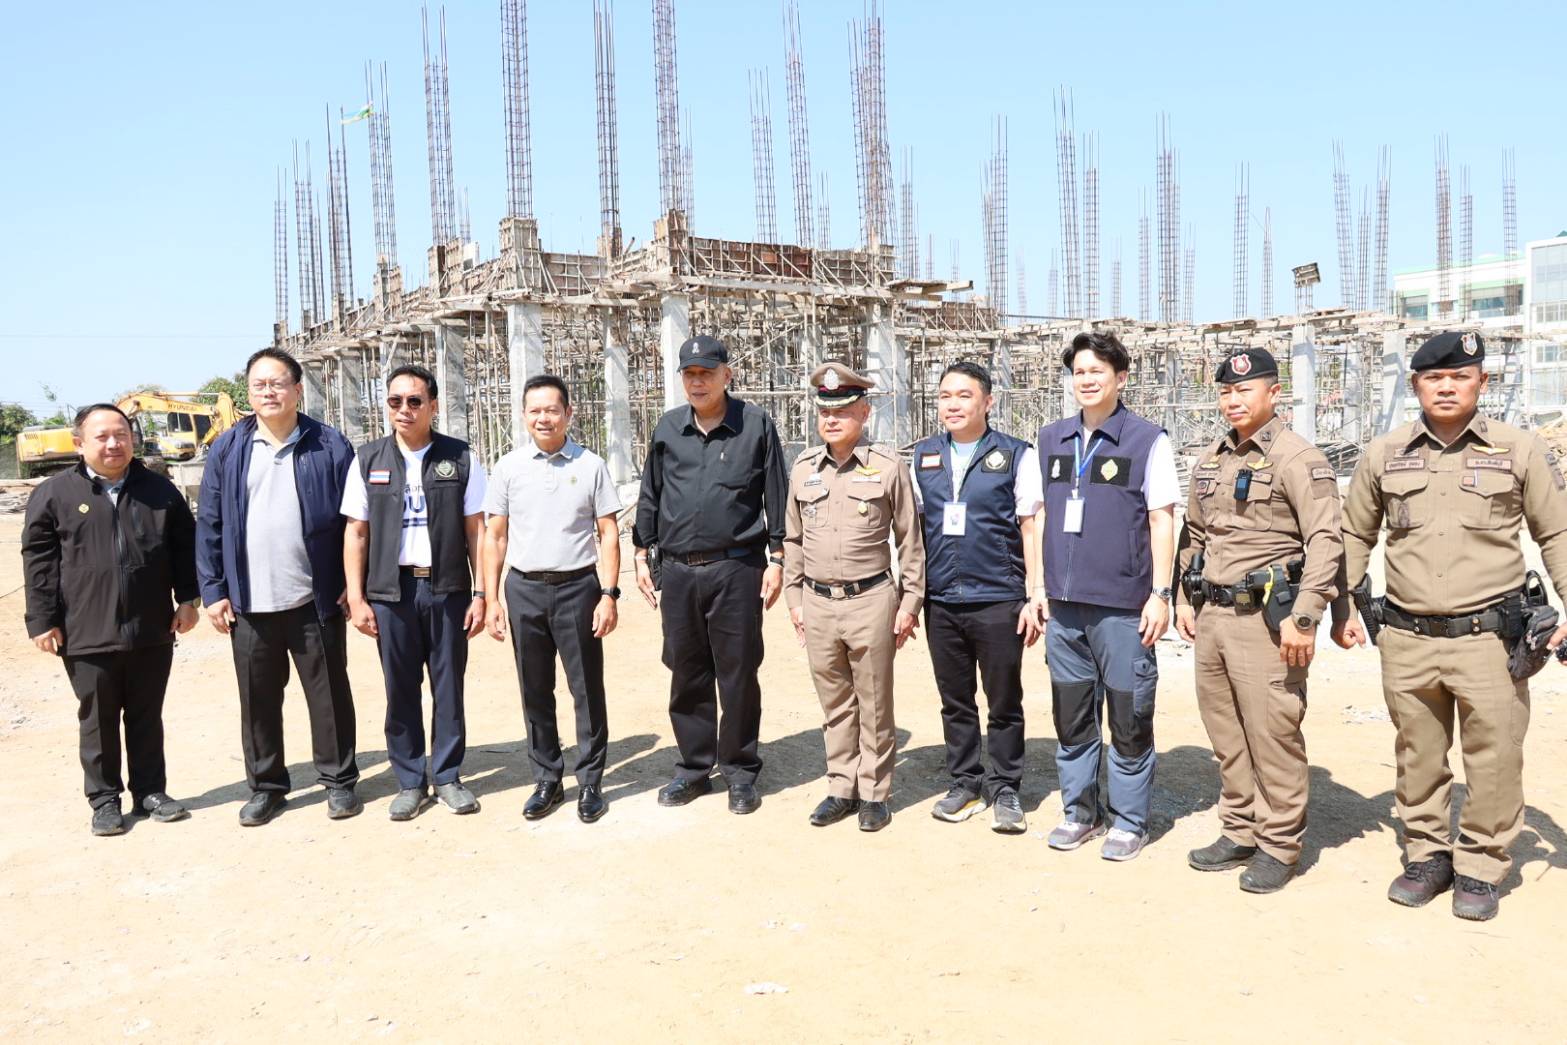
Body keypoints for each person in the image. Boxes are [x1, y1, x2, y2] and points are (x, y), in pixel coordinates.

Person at [1336, 331, 1567, 921]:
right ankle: (1427, 856)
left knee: (1494, 758)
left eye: (1459, 377)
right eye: (1433, 378)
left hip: (1490, 640)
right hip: (1406, 639)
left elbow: (1556, 533)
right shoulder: (1384, 453)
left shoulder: (1517, 450)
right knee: (1418, 754)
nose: (1446, 387)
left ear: (1481, 382)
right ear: (1415, 384)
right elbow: (1355, 533)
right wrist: (1344, 606)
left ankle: (1482, 865)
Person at [1173, 348, 1346, 893]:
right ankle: (1240, 828)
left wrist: (1306, 616)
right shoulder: (1212, 459)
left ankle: (1279, 844)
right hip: (1213, 616)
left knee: (1273, 733)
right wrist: (1183, 598)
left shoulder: (1298, 458)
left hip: (1268, 622)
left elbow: (1326, 540)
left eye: (1245, 390)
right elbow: (1195, 534)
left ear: (1274, 393)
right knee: (1226, 733)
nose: (1234, 399)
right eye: (1226, 391)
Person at [1028, 331, 1179, 862]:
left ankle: (1129, 820)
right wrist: (1037, 588)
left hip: (1122, 607)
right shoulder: (1051, 439)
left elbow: (1162, 519)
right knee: (1072, 716)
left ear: (1121, 377)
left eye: (1097, 371)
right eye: (1079, 372)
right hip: (1064, 608)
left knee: (1129, 715)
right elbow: (1038, 517)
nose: (1087, 380)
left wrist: (1161, 594)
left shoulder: (1146, 440)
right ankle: (1079, 812)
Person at [196, 347, 361, 826]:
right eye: (259, 385)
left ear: (297, 389)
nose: (268, 392)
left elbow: (356, 522)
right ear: (249, 393)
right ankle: (267, 787)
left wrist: (352, 584)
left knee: (329, 697)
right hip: (249, 602)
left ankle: (339, 782)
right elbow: (209, 522)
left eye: (277, 383)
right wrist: (213, 590)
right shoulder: (228, 448)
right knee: (258, 702)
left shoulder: (329, 444)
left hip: (314, 599)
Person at [21, 404, 199, 836]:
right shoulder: (55, 494)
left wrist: (188, 599)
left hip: (151, 626)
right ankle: (104, 800)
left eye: (121, 434)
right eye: (101, 436)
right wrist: (42, 619)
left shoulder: (159, 490)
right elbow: (39, 561)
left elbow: (183, 547)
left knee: (146, 715)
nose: (114, 443)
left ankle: (150, 792)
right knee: (97, 720)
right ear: (79, 443)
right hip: (86, 629)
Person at [632, 335, 788, 814]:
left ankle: (739, 770)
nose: (697, 382)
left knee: (738, 671)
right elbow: (651, 493)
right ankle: (694, 768)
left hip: (736, 567)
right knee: (686, 671)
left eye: (706, 373)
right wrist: (641, 551)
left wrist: (778, 557)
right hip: (678, 570)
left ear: (727, 375)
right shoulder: (668, 428)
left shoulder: (755, 424)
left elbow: (776, 492)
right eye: (690, 374)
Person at [342, 364, 487, 820]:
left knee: (448, 688)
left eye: (414, 401)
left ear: (433, 405)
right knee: (400, 690)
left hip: (447, 589)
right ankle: (409, 781)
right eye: (394, 401)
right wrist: (357, 598)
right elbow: (356, 532)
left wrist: (481, 592)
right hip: (392, 593)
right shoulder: (368, 459)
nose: (403, 409)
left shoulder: (459, 458)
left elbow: (476, 530)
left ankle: (447, 777)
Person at [784, 362, 925, 831]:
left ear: (864, 413)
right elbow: (792, 539)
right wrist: (794, 600)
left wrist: (910, 603)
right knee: (835, 702)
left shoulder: (887, 466)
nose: (831, 419)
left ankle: (875, 792)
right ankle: (841, 787)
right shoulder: (804, 469)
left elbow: (910, 540)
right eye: (824, 411)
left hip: (871, 599)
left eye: (842, 411)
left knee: (874, 700)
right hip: (818, 601)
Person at [483, 375, 622, 823]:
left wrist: (609, 594)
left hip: (578, 588)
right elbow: (495, 536)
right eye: (535, 410)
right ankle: (547, 778)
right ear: (524, 415)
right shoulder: (508, 468)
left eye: (552, 410)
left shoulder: (591, 465)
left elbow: (608, 533)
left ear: (568, 413)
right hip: (524, 589)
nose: (544, 418)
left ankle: (591, 782)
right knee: (535, 688)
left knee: (586, 688)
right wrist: (491, 598)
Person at [911, 361, 1042, 833]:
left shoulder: (1015, 455)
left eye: (964, 395)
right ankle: (965, 782)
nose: (953, 404)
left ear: (988, 402)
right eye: (945, 395)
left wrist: (1034, 593)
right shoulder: (923, 456)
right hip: (942, 599)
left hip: (998, 598)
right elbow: (913, 531)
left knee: (1003, 699)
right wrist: (913, 595)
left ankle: (1005, 787)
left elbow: (1031, 527)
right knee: (956, 700)